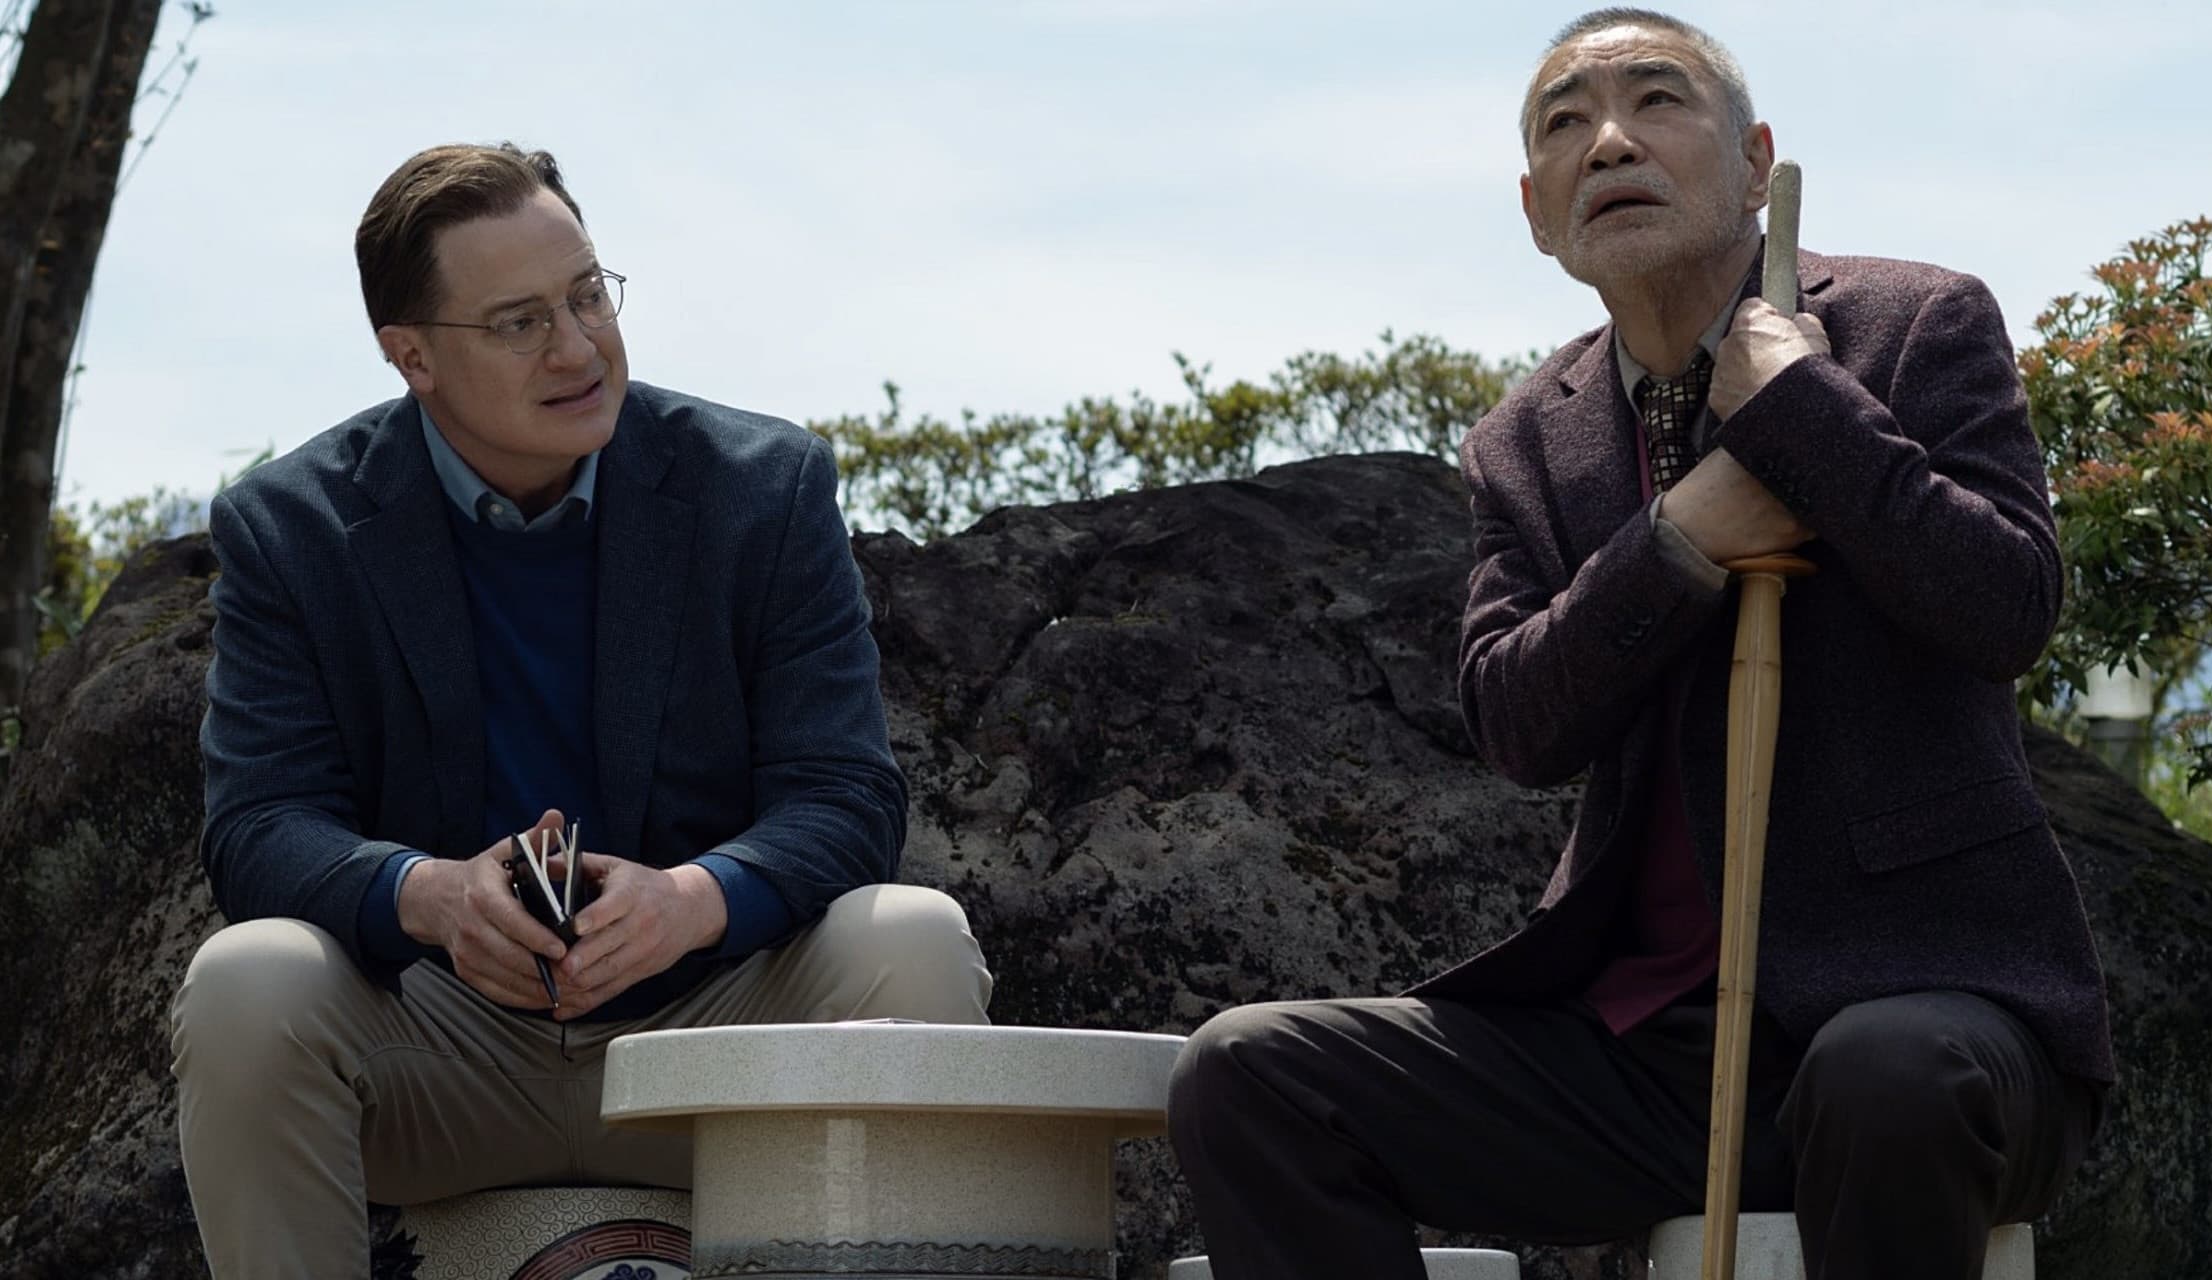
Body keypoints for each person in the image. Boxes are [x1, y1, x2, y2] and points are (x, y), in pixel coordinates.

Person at [1167, 10, 2111, 1278]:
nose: (1608, 141)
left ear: (1754, 162)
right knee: (1254, 1071)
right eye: (1565, 123)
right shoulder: (1523, 439)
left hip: (1939, 1018)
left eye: (1656, 101)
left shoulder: (1913, 322)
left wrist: (1801, 408)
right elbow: (1515, 720)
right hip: (1649, 1057)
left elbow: (2006, 604)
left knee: (1880, 1071)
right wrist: (1680, 537)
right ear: (1535, 211)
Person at [169, 142, 994, 1279]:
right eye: (519, 323)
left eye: (587, 293)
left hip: (712, 1051)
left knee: (911, 939)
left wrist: (692, 901)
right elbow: (260, 827)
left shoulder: (764, 487)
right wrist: (433, 896)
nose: (577, 346)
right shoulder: (290, 527)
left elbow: (845, 795)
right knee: (247, 978)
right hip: (440, 1055)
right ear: (411, 355)